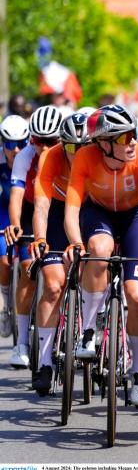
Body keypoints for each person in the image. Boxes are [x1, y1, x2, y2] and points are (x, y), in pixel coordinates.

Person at [65, 104, 138, 406]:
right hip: (100, 214)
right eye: (124, 138)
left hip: (136, 215)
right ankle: (87, 329)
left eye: (133, 134)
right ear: (104, 144)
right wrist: (75, 243)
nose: (133, 141)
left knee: (136, 295)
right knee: (98, 250)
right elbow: (71, 209)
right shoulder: (85, 157)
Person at [29, 112, 90, 394]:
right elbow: (41, 205)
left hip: (90, 214)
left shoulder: (100, 158)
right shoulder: (50, 157)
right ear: (61, 145)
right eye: (70, 147)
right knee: (53, 286)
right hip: (57, 216)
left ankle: (98, 333)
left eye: (83, 147)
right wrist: (40, 237)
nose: (76, 154)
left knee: (97, 272)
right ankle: (44, 362)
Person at [5, 105, 62, 368]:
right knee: (28, 268)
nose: (43, 147)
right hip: (31, 209)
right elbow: (16, 197)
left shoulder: (68, 154)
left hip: (60, 210)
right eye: (38, 141)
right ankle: (22, 344)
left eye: (50, 141)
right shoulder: (25, 156)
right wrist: (15, 225)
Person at [0, 115, 28, 339]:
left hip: (25, 211)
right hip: (2, 212)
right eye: (10, 145)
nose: (16, 150)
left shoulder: (30, 159)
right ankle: (4, 300)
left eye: (22, 143)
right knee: (4, 259)